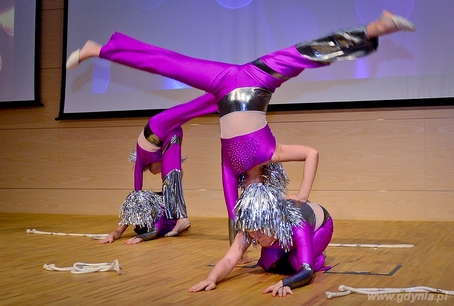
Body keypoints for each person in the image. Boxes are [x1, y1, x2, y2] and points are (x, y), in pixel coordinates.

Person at [67, 10, 414, 232]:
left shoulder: (232, 167)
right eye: (254, 190)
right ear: (264, 182)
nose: (248, 189)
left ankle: (99, 50)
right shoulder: (271, 153)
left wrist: (242, 241)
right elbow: (312, 153)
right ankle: (374, 27)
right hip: (257, 78)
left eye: (247, 193)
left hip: (222, 85)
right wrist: (303, 195)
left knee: (169, 64)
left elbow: (232, 210)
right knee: (306, 54)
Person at [188, 163, 333, 297]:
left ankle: (318, 255)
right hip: (283, 232)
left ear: (274, 221)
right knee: (268, 263)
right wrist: (211, 279)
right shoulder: (253, 223)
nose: (256, 237)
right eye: (252, 231)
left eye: (261, 230)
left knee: (297, 263)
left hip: (320, 226)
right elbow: (229, 260)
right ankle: (289, 251)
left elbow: (306, 271)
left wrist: (286, 283)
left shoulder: (299, 226)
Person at [99, 126, 191, 244]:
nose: (136, 218)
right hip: (161, 192)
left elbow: (154, 231)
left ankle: (181, 220)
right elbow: (119, 230)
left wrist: (140, 238)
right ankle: (181, 220)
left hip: (166, 211)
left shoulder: (158, 214)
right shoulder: (138, 208)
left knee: (171, 184)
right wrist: (113, 235)